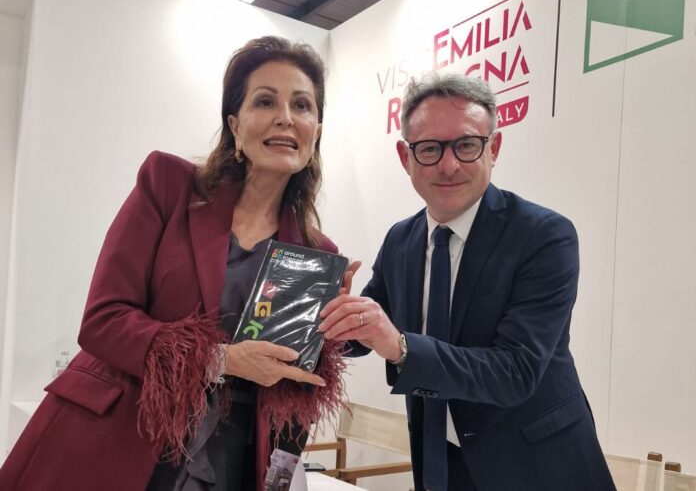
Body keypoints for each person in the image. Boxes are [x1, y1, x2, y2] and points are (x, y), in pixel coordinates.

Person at [0, 36, 355, 491]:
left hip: (227, 462)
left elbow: (289, 395)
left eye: (302, 105)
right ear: (235, 124)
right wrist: (221, 359)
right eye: (265, 101)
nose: (286, 117)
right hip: (119, 439)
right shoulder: (168, 185)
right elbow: (102, 321)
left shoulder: (316, 252)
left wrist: (326, 341)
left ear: (316, 130)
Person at [319, 74, 616, 491]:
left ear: (493, 148)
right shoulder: (400, 240)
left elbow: (516, 371)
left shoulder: (544, 236)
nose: (448, 165)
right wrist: (328, 318)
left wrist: (400, 346)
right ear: (405, 157)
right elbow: (369, 330)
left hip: (537, 466)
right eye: (429, 148)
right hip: (440, 460)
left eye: (466, 145)